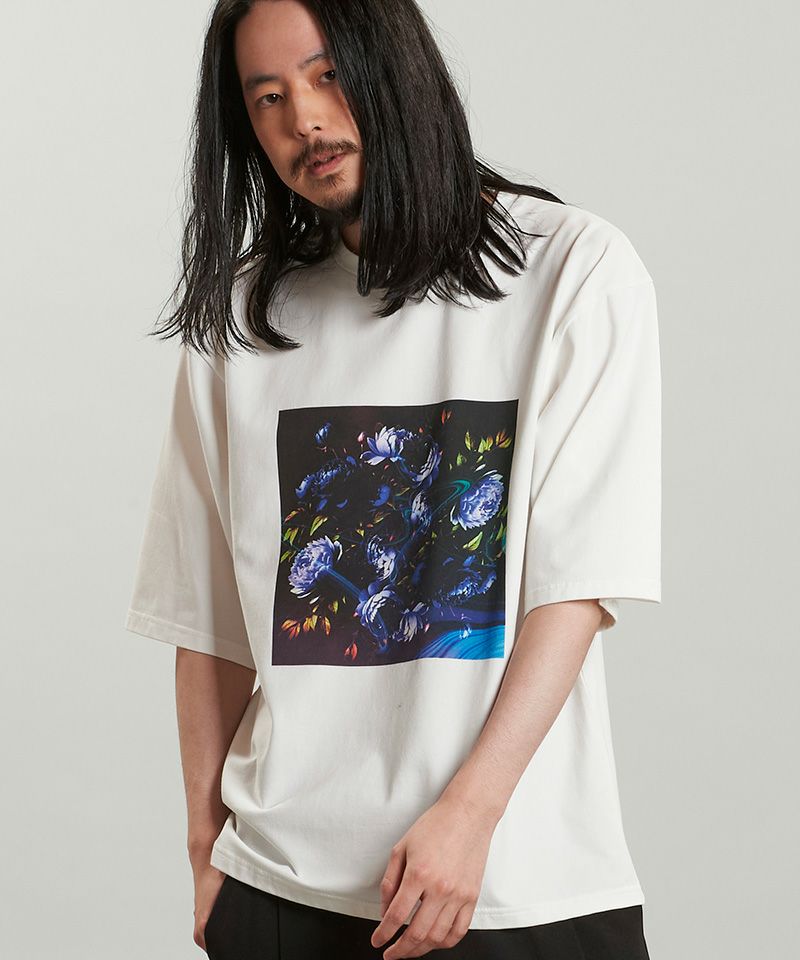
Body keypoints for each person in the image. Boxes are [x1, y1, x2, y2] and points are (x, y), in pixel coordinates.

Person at [123, 0, 661, 957]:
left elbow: (575, 587)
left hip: (513, 885)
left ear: (395, 67)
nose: (305, 120)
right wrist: (207, 850)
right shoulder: (245, 317)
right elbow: (206, 621)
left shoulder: (572, 270)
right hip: (280, 891)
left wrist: (471, 814)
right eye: (268, 97)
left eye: (328, 75)